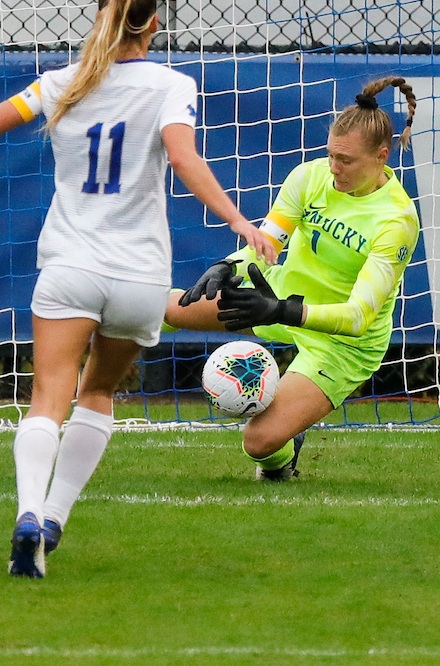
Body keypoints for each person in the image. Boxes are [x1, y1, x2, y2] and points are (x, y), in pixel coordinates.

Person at [0, 0, 276, 578]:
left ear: (99, 16)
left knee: (48, 398)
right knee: (97, 393)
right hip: (137, 276)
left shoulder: (59, 84)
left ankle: (27, 513)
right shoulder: (172, 85)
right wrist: (239, 222)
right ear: (154, 23)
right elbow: (182, 156)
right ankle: (54, 519)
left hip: (70, 266)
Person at [166, 77, 420, 481]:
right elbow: (266, 243)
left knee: (259, 442)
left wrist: (280, 311)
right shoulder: (310, 177)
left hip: (342, 344)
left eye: (347, 160)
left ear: (382, 156)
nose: (334, 168)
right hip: (277, 297)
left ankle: (284, 456)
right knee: (165, 309)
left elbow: (357, 318)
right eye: (331, 154)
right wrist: (229, 265)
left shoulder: (397, 221)